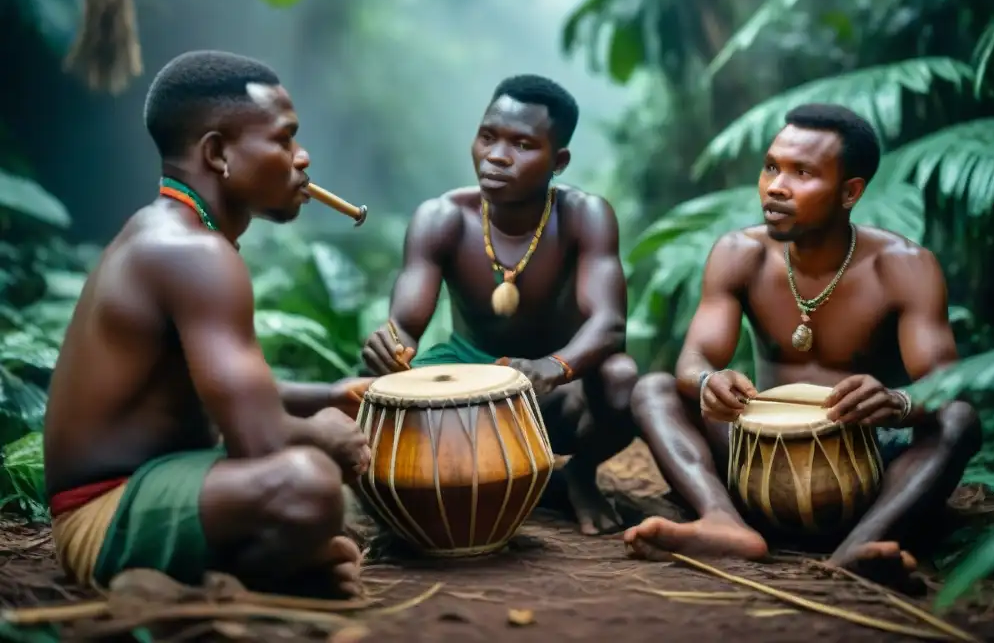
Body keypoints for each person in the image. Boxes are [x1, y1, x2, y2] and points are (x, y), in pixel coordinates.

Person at [43, 50, 370, 597]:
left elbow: (221, 394)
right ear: (218, 153)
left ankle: (233, 576)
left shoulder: (177, 235)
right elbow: (260, 438)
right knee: (310, 487)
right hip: (103, 514)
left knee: (321, 507)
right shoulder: (192, 252)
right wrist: (325, 435)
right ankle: (220, 585)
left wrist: (331, 393)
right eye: (284, 139)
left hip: (160, 483)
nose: (302, 156)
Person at [626, 103, 982, 589]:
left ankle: (859, 546)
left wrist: (896, 402)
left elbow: (945, 386)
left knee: (959, 419)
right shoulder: (740, 254)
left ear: (849, 192)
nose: (776, 186)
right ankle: (723, 522)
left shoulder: (904, 266)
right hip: (752, 464)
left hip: (864, 472)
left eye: (803, 173)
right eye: (771, 166)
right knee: (654, 389)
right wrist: (710, 381)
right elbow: (695, 360)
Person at [360, 75, 637, 535]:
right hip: (466, 381)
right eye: (487, 137)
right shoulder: (442, 217)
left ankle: (579, 475)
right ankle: (512, 483)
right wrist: (391, 348)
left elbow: (608, 324)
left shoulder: (584, 216)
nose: (496, 156)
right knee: (376, 392)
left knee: (622, 379)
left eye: (522, 144)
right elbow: (404, 327)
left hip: (555, 389)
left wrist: (554, 366)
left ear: (558, 160)